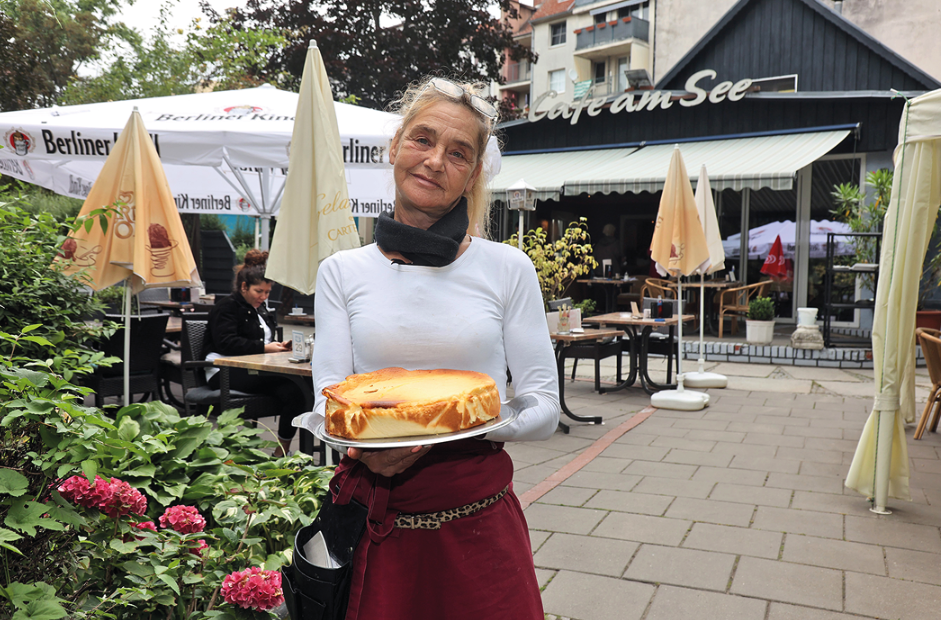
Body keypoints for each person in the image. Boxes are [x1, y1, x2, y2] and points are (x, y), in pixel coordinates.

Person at [310, 76, 560, 620]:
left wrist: (460, 422)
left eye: (458, 152)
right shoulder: (340, 272)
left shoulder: (507, 268)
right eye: (422, 139)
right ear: (395, 145)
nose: (434, 160)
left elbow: (544, 405)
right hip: (375, 519)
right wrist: (368, 449)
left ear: (472, 175)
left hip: (479, 521)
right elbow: (327, 403)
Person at [202, 249, 303, 457]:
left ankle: (281, 451)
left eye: (267, 292)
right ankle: (281, 452)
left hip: (254, 367)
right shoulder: (227, 307)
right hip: (224, 370)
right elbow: (226, 343)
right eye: (259, 291)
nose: (264, 297)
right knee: (295, 388)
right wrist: (265, 348)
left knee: (298, 390)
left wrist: (277, 345)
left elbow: (261, 340)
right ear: (244, 287)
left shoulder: (260, 308)